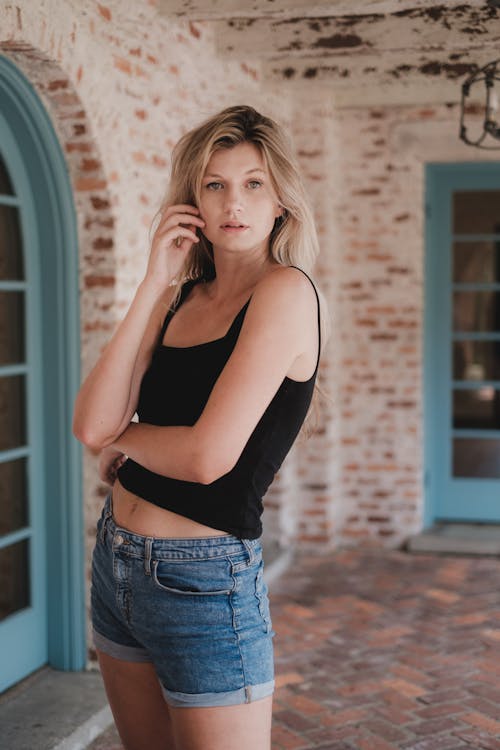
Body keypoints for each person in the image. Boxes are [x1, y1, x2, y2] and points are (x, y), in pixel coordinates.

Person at [73, 104, 328, 750]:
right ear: (192, 201)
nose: (232, 203)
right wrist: (155, 282)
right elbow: (91, 422)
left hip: (203, 581)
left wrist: (128, 440)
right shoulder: (183, 296)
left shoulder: (286, 292)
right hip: (116, 563)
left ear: (280, 204)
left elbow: (207, 456)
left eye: (252, 184)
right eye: (214, 185)